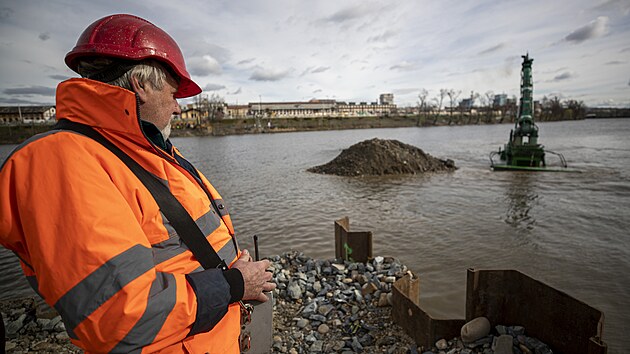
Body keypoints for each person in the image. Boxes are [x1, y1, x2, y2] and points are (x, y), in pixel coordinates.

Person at [0, 14, 275, 353]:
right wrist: (234, 284)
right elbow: (121, 318)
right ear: (142, 86)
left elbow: (178, 250)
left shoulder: (142, 151)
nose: (178, 108)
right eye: (174, 94)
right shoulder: (61, 161)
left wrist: (230, 267)